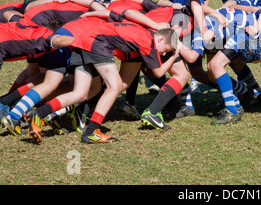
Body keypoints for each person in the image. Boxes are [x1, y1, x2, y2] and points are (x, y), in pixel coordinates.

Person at [25, 23, 180, 144]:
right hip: (96, 43)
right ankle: (92, 131)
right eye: (166, 49)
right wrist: (174, 56)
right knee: (115, 85)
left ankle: (37, 114)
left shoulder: (142, 31)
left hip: (83, 40)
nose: (164, 53)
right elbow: (159, 73)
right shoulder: (148, 42)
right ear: (160, 39)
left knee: (81, 93)